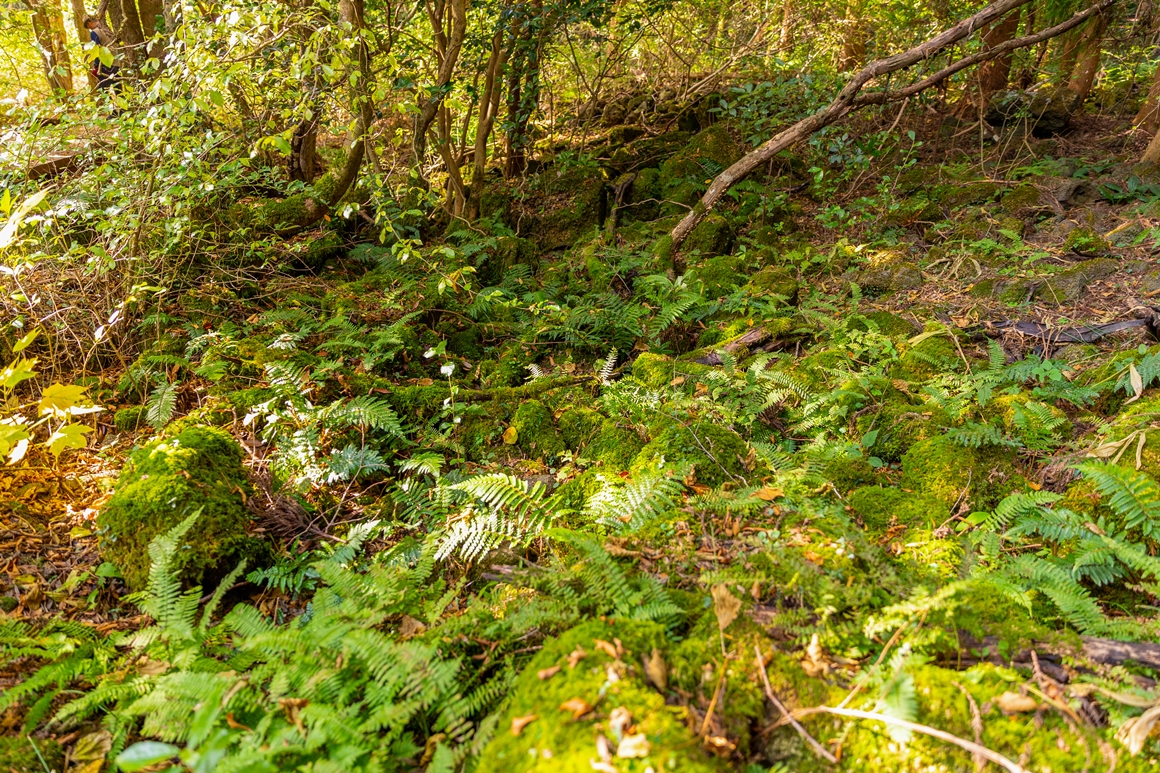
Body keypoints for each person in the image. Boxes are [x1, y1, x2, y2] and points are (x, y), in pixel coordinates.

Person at [84, 16, 118, 90]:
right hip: (117, 61)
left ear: (89, 23)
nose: (89, 28)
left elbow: (97, 49)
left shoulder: (94, 32)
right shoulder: (106, 29)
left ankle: (106, 101)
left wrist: (96, 65)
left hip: (106, 63)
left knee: (103, 87)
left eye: (88, 26)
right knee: (117, 85)